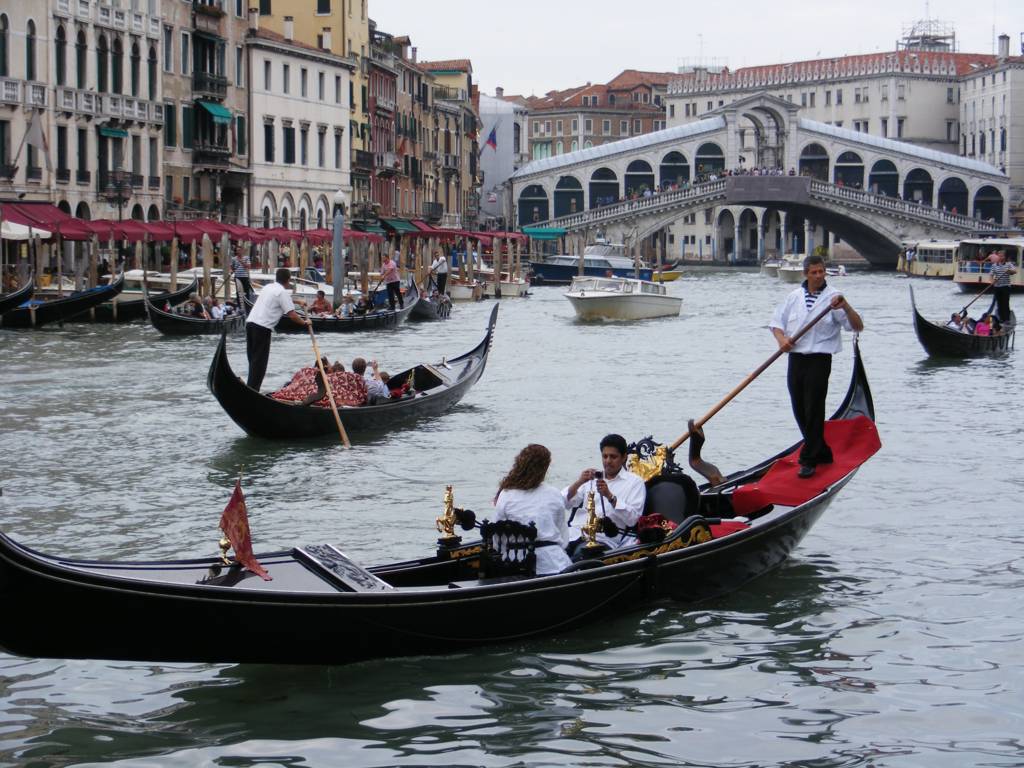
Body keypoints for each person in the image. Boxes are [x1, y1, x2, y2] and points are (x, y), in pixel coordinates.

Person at [770, 255, 864, 479]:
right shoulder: (793, 297)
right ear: (806, 274)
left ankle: (809, 459)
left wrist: (847, 307)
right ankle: (821, 450)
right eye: (814, 272)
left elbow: (857, 326)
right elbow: (776, 323)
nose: (819, 276)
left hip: (819, 359)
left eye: (822, 272)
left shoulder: (835, 298)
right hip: (796, 359)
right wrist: (781, 340)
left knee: (814, 408)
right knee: (799, 408)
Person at [493, 444, 573, 575]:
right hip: (552, 563)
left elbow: (498, 538)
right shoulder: (553, 493)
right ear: (545, 468)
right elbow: (563, 538)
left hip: (514, 561)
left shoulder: (505, 494)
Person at [563, 434, 647, 551]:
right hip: (574, 534)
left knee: (579, 555)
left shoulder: (635, 482)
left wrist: (610, 496)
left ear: (624, 458)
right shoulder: (593, 477)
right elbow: (563, 502)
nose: (608, 461)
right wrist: (579, 482)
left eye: (613, 457)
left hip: (604, 539)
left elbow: (632, 520)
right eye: (605, 456)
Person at [245, 267, 310, 391]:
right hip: (262, 329)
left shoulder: (268, 287)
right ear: (288, 280)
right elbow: (293, 315)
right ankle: (252, 390)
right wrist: (305, 322)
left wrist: (298, 301)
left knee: (253, 360)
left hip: (250, 324)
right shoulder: (282, 293)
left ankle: (250, 387)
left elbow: (281, 300)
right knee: (259, 363)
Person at [990, 250, 1016, 323]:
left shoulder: (1009, 264)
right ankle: (1001, 319)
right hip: (997, 287)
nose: (1001, 257)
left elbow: (1014, 271)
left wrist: (1009, 271)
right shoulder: (994, 265)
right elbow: (991, 275)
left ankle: (1006, 319)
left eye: (1002, 256)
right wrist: (992, 281)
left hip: (1006, 286)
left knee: (1005, 303)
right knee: (999, 303)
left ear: (1005, 257)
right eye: (999, 256)